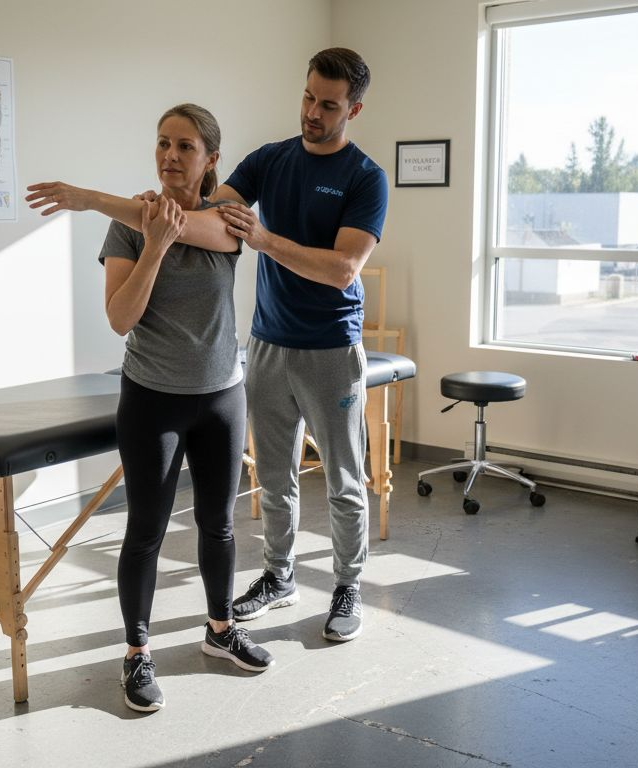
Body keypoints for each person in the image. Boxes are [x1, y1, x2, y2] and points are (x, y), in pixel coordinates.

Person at [24, 104, 273, 714]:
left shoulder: (228, 220)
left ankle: (220, 629)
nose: (169, 156)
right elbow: (119, 319)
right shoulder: (130, 229)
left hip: (220, 396)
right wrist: (154, 244)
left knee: (218, 524)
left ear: (211, 159)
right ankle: (137, 653)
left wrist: (91, 197)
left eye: (185, 146)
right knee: (146, 532)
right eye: (162, 143)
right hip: (153, 399)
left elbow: (195, 227)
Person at [212, 48, 388, 643]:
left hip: (331, 351)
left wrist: (262, 238)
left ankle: (347, 585)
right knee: (275, 478)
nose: (313, 112)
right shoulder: (271, 159)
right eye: (309, 97)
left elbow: (343, 269)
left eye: (329, 104)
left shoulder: (365, 178)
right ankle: (278, 576)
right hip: (267, 346)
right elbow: (215, 213)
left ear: (354, 109)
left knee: (343, 477)